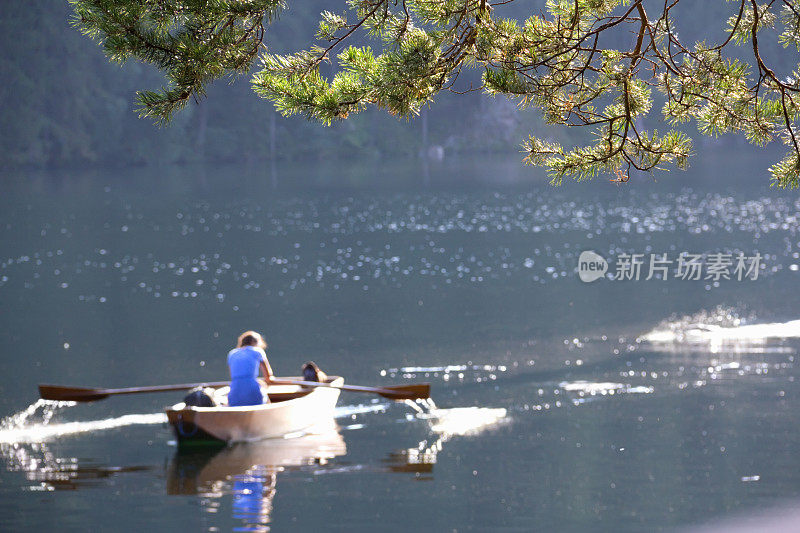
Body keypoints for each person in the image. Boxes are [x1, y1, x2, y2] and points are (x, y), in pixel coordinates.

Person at [227, 331, 275, 406]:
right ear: (254, 342)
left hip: (234, 394)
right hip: (253, 393)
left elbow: (234, 376)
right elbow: (268, 377)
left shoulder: (232, 353)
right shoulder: (258, 351)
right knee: (266, 398)